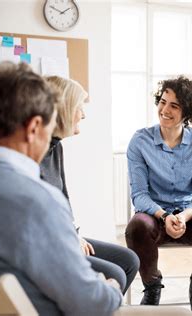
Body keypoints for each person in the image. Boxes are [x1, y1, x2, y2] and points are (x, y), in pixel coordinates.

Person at [0, 62, 122, 315]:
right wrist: (112, 287)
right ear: (33, 128)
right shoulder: (37, 202)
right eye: (50, 125)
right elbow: (92, 303)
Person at [125, 75, 192, 314]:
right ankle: (152, 286)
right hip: (154, 217)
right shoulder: (140, 141)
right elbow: (139, 194)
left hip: (187, 219)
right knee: (136, 226)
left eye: (174, 105)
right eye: (163, 102)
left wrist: (184, 217)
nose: (165, 110)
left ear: (188, 112)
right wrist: (164, 216)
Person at [40, 75, 139, 294]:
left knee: (129, 260)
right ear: (63, 109)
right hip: (49, 246)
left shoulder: (56, 148)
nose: (83, 115)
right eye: (79, 107)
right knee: (115, 274)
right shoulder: (33, 152)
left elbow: (62, 202)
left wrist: (74, 234)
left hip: (64, 236)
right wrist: (69, 239)